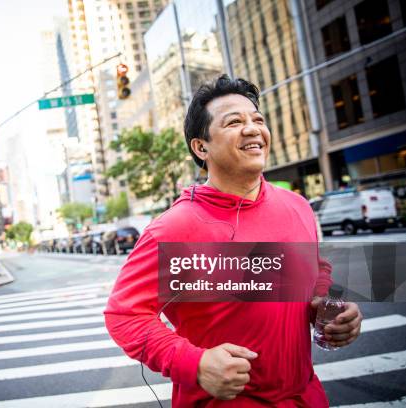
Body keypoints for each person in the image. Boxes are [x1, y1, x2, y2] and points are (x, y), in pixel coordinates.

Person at [104, 75, 362, 407]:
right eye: (234, 122)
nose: (253, 129)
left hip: (306, 396)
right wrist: (193, 363)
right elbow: (124, 315)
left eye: (258, 119)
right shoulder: (173, 229)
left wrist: (327, 309)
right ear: (201, 147)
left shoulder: (296, 205)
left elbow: (315, 269)